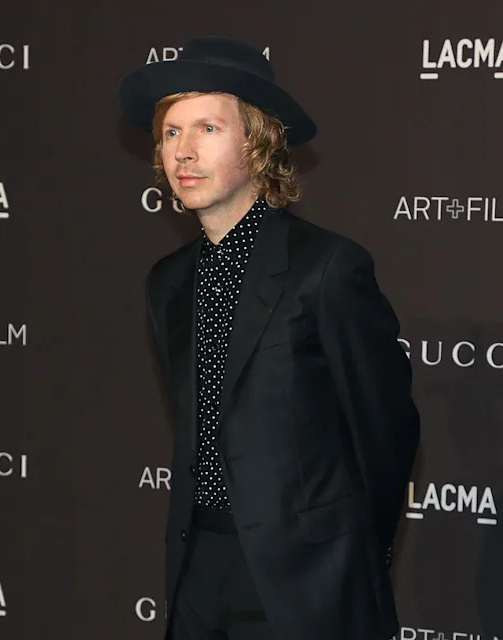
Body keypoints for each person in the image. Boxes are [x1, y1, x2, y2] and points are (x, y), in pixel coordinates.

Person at [120, 35, 420, 640]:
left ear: (258, 142)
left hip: (305, 579)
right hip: (197, 572)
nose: (184, 151)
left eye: (207, 128)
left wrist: (349, 559)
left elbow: (385, 433)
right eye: (172, 132)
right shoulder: (167, 284)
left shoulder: (328, 269)